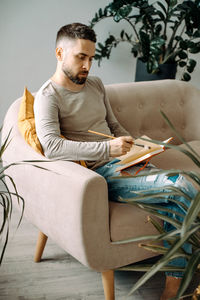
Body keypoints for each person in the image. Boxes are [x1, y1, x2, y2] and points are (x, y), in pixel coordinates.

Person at [34, 23, 197, 300]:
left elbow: (114, 125)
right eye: (80, 57)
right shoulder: (48, 97)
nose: (87, 65)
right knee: (182, 185)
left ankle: (173, 282)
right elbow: (52, 147)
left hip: (128, 162)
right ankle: (176, 285)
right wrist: (108, 149)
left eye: (91, 58)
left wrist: (137, 146)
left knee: (180, 194)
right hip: (102, 172)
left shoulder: (95, 84)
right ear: (60, 53)